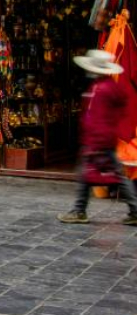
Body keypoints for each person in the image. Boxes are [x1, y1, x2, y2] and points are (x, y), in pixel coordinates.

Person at [58, 49, 137, 225]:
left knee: (91, 173)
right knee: (111, 175)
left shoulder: (100, 90)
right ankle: (133, 210)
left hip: (98, 140)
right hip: (106, 137)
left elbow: (96, 118)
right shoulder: (109, 87)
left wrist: (94, 142)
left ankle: (79, 210)